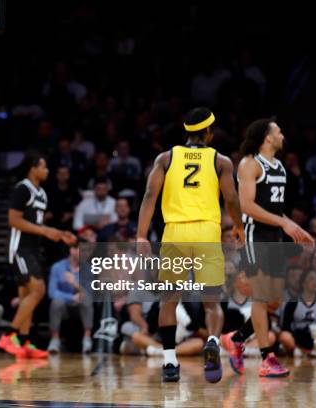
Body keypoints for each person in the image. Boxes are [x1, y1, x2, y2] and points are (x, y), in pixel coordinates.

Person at [137, 107, 244, 383]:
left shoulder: (166, 158)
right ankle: (211, 340)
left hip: (175, 234)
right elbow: (231, 199)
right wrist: (238, 226)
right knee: (212, 303)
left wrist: (140, 235)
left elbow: (150, 195)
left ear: (187, 132)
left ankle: (170, 362)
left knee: (169, 301)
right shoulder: (220, 161)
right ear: (209, 132)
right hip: (208, 233)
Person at [221, 118, 314, 378]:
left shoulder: (280, 167)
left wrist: (294, 227)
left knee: (273, 301)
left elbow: (274, 209)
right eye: (279, 131)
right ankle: (266, 358)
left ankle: (236, 339)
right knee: (261, 297)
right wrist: (284, 224)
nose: (283, 134)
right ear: (268, 138)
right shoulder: (250, 163)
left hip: (274, 235)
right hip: (254, 235)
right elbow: (247, 206)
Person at [0, 151, 76, 358]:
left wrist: (58, 233)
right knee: (38, 290)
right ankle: (9, 334)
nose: (47, 170)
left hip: (32, 248)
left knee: (26, 296)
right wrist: (44, 231)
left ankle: (24, 343)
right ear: (32, 167)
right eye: (43, 166)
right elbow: (14, 220)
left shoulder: (42, 193)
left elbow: (37, 225)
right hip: (19, 248)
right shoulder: (23, 188)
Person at [46, 243, 93, 353]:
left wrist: (75, 284)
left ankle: (87, 339)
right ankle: (55, 340)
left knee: (87, 300)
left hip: (81, 307)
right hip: (64, 306)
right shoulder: (57, 267)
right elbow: (52, 292)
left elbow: (90, 294)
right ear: (72, 250)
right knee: (56, 302)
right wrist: (71, 297)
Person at [279, 269, 316, 356]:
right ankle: (301, 351)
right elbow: (285, 327)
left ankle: (313, 352)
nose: (315, 282)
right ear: (303, 283)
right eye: (311, 279)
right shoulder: (293, 303)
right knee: (284, 336)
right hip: (298, 337)